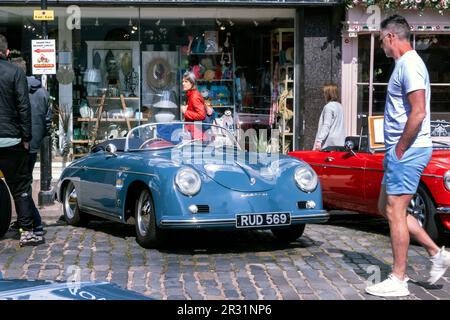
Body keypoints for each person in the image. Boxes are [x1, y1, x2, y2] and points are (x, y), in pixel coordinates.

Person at [365, 15, 450, 297]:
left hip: (408, 149)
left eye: (381, 40)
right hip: (399, 150)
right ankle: (436, 252)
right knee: (386, 208)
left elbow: (419, 111)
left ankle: (398, 279)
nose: (382, 46)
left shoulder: (410, 65)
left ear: (391, 37)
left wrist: (400, 149)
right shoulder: (404, 64)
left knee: (396, 211)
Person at [0, 35, 44, 246]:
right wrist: (26, 137)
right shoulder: (15, 72)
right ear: (7, 53)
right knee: (21, 188)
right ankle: (26, 231)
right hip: (11, 139)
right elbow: (23, 107)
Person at [11, 57, 50, 236]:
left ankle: (36, 223)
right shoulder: (42, 92)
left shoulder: (13, 89)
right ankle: (23, 219)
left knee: (22, 187)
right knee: (24, 183)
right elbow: (47, 121)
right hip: (33, 144)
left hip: (19, 143)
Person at [313, 84, 345, 150]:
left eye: (324, 93)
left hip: (329, 142)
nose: (323, 95)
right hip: (340, 141)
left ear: (328, 94)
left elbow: (326, 125)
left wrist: (319, 140)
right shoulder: (339, 106)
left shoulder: (328, 107)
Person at [180, 71, 206, 139]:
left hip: (196, 133)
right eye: (183, 81)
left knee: (196, 149)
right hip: (192, 132)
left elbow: (201, 115)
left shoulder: (194, 96)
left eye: (186, 81)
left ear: (192, 83)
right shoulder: (191, 94)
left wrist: (186, 112)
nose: (183, 83)